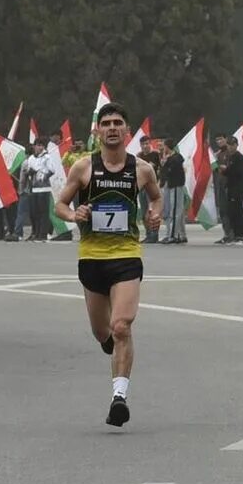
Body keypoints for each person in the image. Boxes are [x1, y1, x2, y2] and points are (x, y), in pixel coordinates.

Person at [57, 104, 160, 429]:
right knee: (102, 332)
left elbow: (156, 198)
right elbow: (60, 204)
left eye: (118, 123)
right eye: (106, 123)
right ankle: (108, 343)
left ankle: (119, 398)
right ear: (97, 131)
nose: (112, 128)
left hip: (127, 255)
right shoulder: (84, 168)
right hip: (91, 258)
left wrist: (155, 214)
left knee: (121, 327)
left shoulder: (142, 169)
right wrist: (74, 215)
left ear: (127, 130)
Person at [21, 139, 58, 242]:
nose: (39, 148)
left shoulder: (47, 157)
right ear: (34, 146)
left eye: (41, 145)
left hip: (44, 188)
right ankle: (36, 233)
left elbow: (52, 170)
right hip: (34, 188)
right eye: (38, 145)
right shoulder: (31, 158)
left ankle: (43, 234)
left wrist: (44, 176)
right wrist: (30, 172)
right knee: (35, 212)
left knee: (43, 212)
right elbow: (27, 170)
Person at [159, 140, 187, 244]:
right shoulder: (172, 159)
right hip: (172, 186)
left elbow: (169, 171)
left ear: (167, 147)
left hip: (175, 186)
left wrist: (165, 163)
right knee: (178, 211)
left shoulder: (175, 158)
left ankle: (172, 235)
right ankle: (181, 234)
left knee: (175, 211)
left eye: (163, 146)